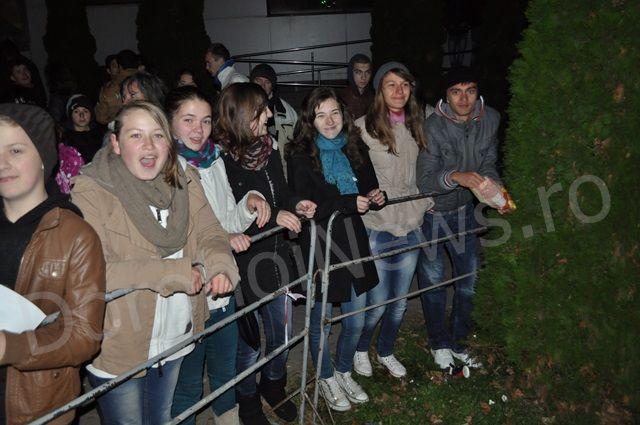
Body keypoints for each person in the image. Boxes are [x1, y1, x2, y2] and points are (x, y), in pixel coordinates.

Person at [71, 101, 240, 424]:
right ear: (116, 143)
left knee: (161, 418)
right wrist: (175, 272)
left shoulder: (184, 178)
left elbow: (211, 232)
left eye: (158, 135)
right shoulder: (92, 190)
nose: (149, 146)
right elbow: (95, 270)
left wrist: (220, 266)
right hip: (121, 343)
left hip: (175, 335)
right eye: (136, 135)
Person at [166, 86, 271, 425]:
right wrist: (224, 238)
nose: (199, 129)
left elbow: (226, 220)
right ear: (169, 122)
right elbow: (175, 237)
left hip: (223, 286)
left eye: (206, 121)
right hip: (191, 293)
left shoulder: (214, 161)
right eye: (189, 120)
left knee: (225, 373)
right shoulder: (166, 170)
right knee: (188, 385)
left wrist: (249, 202)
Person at [0, 103, 106, 424]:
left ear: (44, 156)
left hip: (35, 402)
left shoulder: (75, 235)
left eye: (15, 150)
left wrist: (9, 347)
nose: (2, 163)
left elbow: (84, 335)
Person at [216, 83, 315, 425]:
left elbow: (281, 197)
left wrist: (295, 205)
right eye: (262, 110)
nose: (271, 115)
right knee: (249, 344)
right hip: (246, 266)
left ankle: (273, 386)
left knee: (282, 335)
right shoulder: (221, 164)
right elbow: (230, 218)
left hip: (278, 260)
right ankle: (247, 400)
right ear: (242, 116)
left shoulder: (270, 151)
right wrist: (275, 217)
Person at [287, 87, 384, 412]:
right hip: (320, 243)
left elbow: (368, 185)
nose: (329, 121)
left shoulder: (355, 146)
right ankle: (326, 377)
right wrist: (347, 202)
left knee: (356, 317)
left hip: (353, 238)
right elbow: (306, 201)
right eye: (320, 115)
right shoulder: (300, 154)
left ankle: (343, 370)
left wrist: (376, 195)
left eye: (334, 113)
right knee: (321, 320)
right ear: (309, 120)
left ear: (343, 115)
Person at [353, 62, 434, 379]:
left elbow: (430, 166)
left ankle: (386, 350)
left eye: (404, 84)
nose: (399, 91)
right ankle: (360, 349)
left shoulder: (421, 123)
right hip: (378, 224)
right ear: (379, 90)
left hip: (411, 223)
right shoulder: (362, 128)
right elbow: (351, 174)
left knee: (399, 302)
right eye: (391, 84)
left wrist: (427, 200)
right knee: (376, 302)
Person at [416, 66, 500, 370]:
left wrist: (494, 188)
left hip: (465, 211)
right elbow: (425, 181)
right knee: (434, 282)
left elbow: (489, 163)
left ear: (478, 92)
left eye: (470, 90)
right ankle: (438, 343)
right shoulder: (432, 127)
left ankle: (459, 341)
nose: (464, 99)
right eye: (456, 92)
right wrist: (455, 176)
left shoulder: (490, 119)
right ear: (446, 95)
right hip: (433, 214)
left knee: (470, 280)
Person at [250, 63, 298, 174]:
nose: (262, 85)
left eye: (267, 82)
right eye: (258, 81)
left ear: (272, 86)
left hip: (282, 169)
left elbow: (298, 142)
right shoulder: (243, 108)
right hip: (252, 169)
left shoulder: (286, 110)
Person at [56, 94, 105, 194]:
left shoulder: (100, 134)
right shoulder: (64, 138)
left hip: (99, 183)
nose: (81, 115)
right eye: (76, 111)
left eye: (85, 111)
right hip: (76, 186)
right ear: (70, 115)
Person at [95, 49, 139, 124]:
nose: (116, 69)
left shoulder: (109, 90)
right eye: (113, 66)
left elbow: (101, 118)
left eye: (116, 65)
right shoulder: (149, 80)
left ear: (120, 67)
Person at [339, 54, 374, 120]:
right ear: (351, 73)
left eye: (367, 72)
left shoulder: (374, 97)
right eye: (358, 72)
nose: (363, 77)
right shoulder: (342, 98)